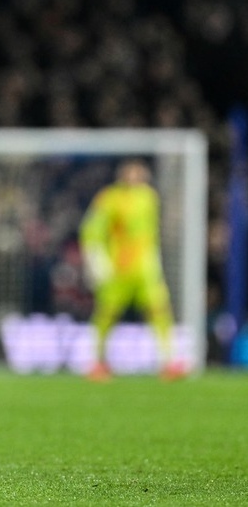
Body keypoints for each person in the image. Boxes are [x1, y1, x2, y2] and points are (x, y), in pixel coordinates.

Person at [80, 158, 185, 382]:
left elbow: (150, 233)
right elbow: (91, 229)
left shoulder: (149, 198)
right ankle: (97, 361)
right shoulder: (109, 198)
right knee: (106, 314)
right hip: (118, 268)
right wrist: (97, 260)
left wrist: (155, 258)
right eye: (132, 173)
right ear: (122, 176)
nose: (136, 178)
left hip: (146, 269)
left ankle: (169, 361)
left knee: (160, 311)